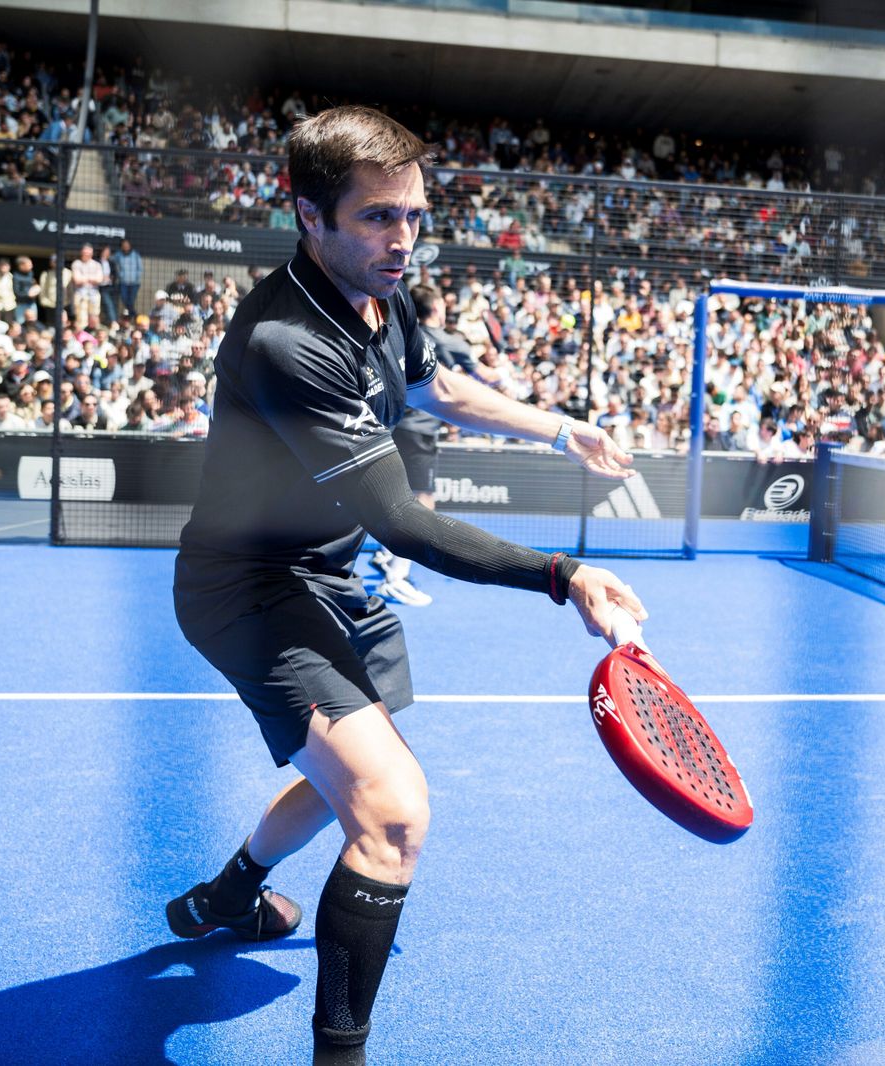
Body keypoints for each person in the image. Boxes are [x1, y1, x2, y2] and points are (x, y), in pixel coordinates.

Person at [167, 106, 644, 1066]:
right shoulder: (286, 342)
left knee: (355, 768)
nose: (405, 239)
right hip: (247, 589)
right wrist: (567, 574)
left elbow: (442, 390)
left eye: (417, 216)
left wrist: (560, 429)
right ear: (309, 214)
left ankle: (228, 894)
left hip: (325, 575)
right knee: (392, 813)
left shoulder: (384, 292)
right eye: (381, 217)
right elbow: (404, 524)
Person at [368, 283, 498, 607]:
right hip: (420, 431)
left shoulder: (397, 333)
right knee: (422, 502)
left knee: (396, 496)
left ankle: (387, 554)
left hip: (393, 424)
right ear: (437, 307)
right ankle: (396, 577)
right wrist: (503, 369)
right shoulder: (450, 341)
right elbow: (486, 377)